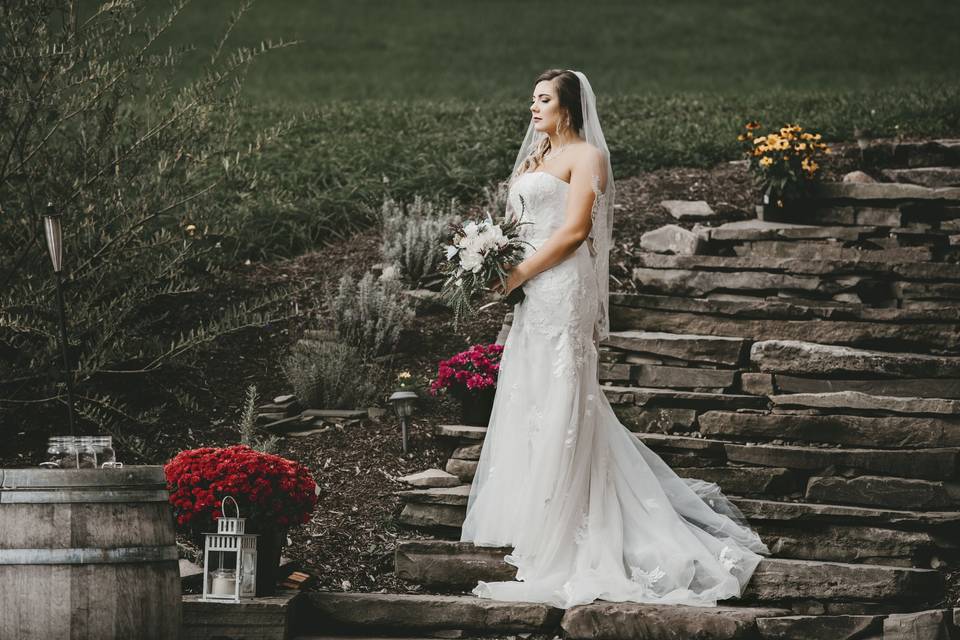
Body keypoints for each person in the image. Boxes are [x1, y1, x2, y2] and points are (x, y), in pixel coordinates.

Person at [459, 68, 769, 609]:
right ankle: (537, 510)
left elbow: (575, 231)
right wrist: (494, 260)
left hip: (561, 287)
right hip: (533, 288)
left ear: (569, 108)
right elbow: (519, 227)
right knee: (529, 392)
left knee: (564, 393)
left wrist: (517, 274)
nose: (533, 109)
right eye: (532, 100)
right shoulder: (536, 159)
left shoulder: (587, 158)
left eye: (543, 100)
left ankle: (572, 517)